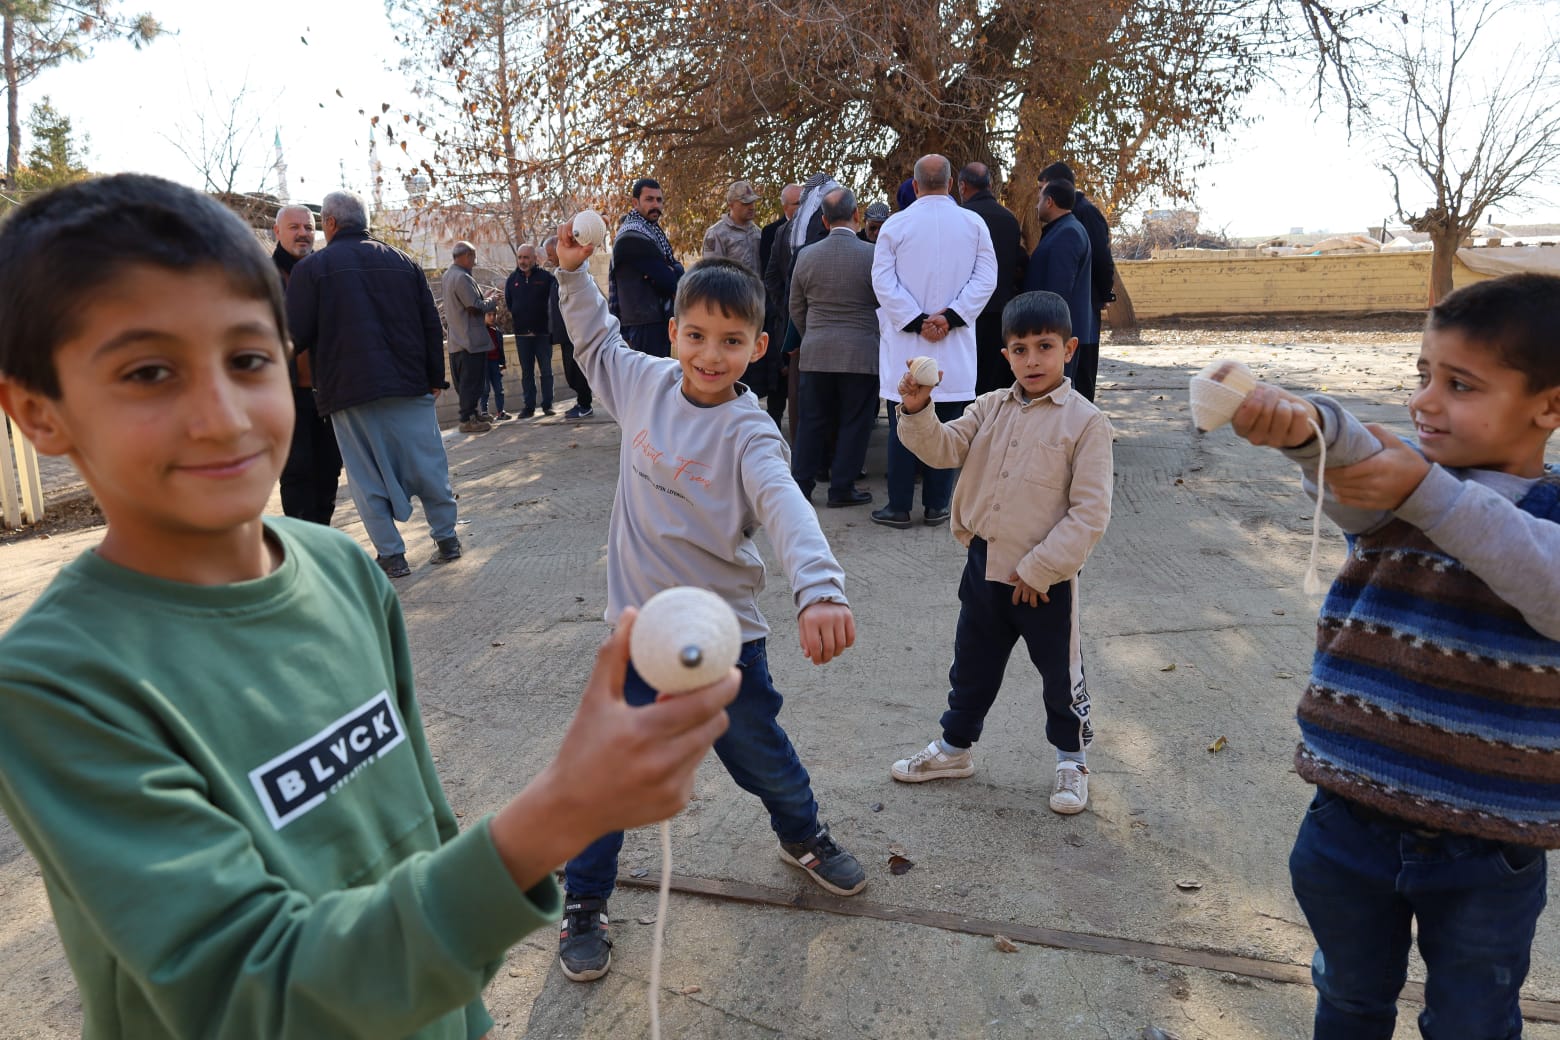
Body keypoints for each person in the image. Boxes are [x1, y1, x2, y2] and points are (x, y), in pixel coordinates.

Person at [0, 173, 739, 1040]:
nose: (222, 416)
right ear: (38, 412)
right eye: (149, 372)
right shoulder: (59, 684)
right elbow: (247, 994)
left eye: (248, 359)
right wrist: (561, 812)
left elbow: (418, 831)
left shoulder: (340, 569)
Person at [1228, 273, 1560, 1039]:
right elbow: (1357, 464)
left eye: (1460, 384)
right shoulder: (1405, 488)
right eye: (1423, 375)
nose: (1424, 401)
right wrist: (1305, 427)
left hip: (1488, 850)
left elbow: (1539, 577)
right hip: (1349, 822)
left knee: (1472, 1022)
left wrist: (1427, 490)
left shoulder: (1520, 513)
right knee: (1348, 997)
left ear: (1550, 405)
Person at [551, 227, 868, 983]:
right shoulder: (642, 384)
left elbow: (785, 505)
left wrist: (819, 587)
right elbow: (594, 342)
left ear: (758, 347)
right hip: (634, 637)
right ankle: (586, 901)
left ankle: (803, 834)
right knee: (606, 773)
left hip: (723, 644)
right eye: (696, 335)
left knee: (763, 757)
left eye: (731, 340)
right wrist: (571, 274)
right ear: (673, 333)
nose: (709, 354)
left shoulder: (750, 431)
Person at [887, 291, 1112, 814]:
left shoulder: (1086, 423)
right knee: (972, 665)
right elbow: (942, 448)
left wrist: (1040, 569)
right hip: (983, 566)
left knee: (1060, 674)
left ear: (1069, 349)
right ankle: (953, 748)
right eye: (1020, 348)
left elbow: (1089, 514)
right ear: (1005, 354)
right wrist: (918, 410)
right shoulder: (988, 407)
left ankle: (1071, 760)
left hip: (1044, 583)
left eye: (1044, 346)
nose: (1032, 359)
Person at [287, 190, 461, 579]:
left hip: (349, 392)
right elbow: (430, 326)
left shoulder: (311, 270)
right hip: (410, 384)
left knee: (367, 476)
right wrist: (435, 378)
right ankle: (447, 539)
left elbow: (294, 334)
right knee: (428, 465)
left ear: (329, 224)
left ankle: (393, 556)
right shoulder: (404, 262)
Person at [870, 153, 997, 529]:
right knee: (950, 426)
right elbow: (986, 278)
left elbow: (882, 282)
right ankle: (938, 505)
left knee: (902, 423)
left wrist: (915, 320)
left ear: (913, 185)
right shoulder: (973, 224)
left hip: (907, 345)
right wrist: (952, 317)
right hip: (953, 344)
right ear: (951, 181)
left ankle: (898, 505)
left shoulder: (896, 225)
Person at [789, 187, 878, 508]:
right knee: (856, 421)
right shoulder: (872, 255)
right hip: (861, 352)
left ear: (824, 221)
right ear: (857, 215)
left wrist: (812, 333)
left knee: (812, 420)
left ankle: (801, 485)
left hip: (816, 351)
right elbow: (886, 303)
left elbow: (796, 307)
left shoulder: (806, 256)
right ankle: (841, 487)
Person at [271, 204, 342, 524]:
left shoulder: (325, 271)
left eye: (308, 227)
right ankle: (305, 543)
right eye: (294, 227)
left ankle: (322, 537)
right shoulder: (262, 278)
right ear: (277, 232)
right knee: (297, 472)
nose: (303, 233)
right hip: (285, 396)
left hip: (328, 392)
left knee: (329, 469)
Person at [1038, 162, 1114, 401]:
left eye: (1042, 189)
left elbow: (1101, 257)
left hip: (1079, 310)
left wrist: (1103, 295)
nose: (1039, 197)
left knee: (1078, 382)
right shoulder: (1066, 221)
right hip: (1078, 308)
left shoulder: (1082, 215)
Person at [958, 162, 1028, 395]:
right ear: (990, 185)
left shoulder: (963, 218)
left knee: (970, 383)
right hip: (1002, 313)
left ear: (962, 186)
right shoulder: (1008, 219)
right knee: (996, 383)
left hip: (967, 311)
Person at [1022, 181, 1093, 390]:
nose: (1037, 207)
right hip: (1054, 331)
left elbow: (1058, 290)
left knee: (1056, 394)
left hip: (1055, 331)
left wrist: (1045, 332)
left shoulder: (1067, 233)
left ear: (1050, 202)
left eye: (1039, 201)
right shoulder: (1063, 229)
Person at [609, 177, 683, 357]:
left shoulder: (651, 231)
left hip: (654, 320)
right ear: (635, 203)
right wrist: (674, 270)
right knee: (647, 382)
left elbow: (672, 273)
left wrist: (675, 269)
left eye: (659, 200)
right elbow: (668, 280)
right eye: (649, 199)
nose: (655, 204)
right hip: (642, 323)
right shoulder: (632, 236)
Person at [754, 182, 801, 426]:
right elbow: (769, 274)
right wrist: (782, 304)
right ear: (785, 207)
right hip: (778, 313)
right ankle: (773, 425)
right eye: (797, 204)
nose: (802, 208)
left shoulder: (813, 229)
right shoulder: (772, 231)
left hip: (800, 313)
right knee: (777, 377)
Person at [442, 241, 500, 433]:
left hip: (458, 340)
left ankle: (474, 414)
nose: (474, 262)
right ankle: (467, 420)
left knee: (469, 382)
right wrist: (492, 301)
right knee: (472, 383)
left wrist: (484, 299)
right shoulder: (461, 277)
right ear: (466, 256)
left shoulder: (449, 275)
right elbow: (474, 306)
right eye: (473, 257)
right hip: (469, 341)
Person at [543, 234, 593, 419]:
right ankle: (582, 402)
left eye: (550, 253)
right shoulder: (558, 275)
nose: (548, 258)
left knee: (576, 371)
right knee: (570, 371)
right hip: (564, 333)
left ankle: (585, 404)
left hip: (574, 333)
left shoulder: (572, 274)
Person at [503, 242, 556, 418]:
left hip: (542, 334)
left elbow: (554, 302)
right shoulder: (512, 280)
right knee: (527, 373)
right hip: (522, 335)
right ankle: (529, 407)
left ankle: (548, 405)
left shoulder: (546, 278)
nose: (523, 261)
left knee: (546, 371)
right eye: (520, 257)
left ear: (534, 258)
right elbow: (510, 304)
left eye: (526, 257)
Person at [702, 179, 762, 274]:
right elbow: (712, 273)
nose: (752, 207)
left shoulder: (757, 232)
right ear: (731, 205)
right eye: (745, 203)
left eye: (753, 202)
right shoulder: (716, 233)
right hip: (731, 288)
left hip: (755, 288)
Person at [477, 310, 510, 421]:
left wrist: (503, 363)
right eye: (489, 315)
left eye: (494, 315)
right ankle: (484, 413)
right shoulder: (480, 331)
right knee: (485, 389)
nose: (492, 317)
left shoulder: (496, 332)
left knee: (499, 388)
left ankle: (500, 412)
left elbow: (500, 349)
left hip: (495, 363)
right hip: (483, 364)